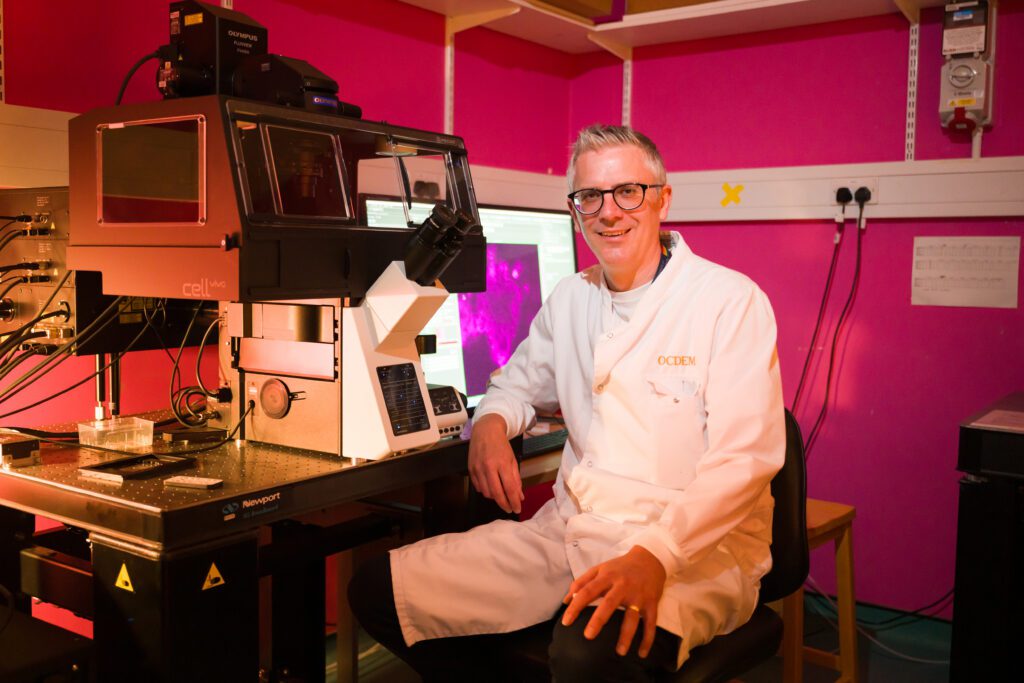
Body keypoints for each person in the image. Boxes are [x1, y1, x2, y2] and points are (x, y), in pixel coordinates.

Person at [348, 124, 785, 681]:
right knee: (381, 591)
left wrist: (657, 555)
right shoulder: (572, 297)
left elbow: (744, 461)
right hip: (569, 533)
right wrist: (490, 424)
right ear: (576, 208)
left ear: (663, 199)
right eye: (589, 197)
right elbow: (515, 383)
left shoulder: (729, 301)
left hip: (690, 551)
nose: (609, 212)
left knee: (589, 654)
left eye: (629, 192)